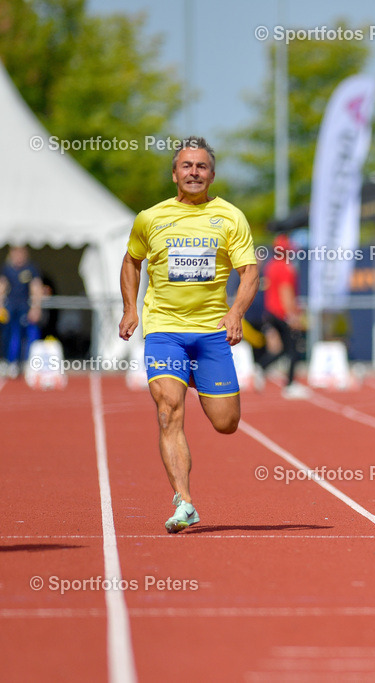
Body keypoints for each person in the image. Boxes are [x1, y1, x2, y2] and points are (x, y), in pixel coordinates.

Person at [118, 136, 258, 533]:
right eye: (186, 166)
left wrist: (236, 313)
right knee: (168, 411)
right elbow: (131, 261)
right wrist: (130, 307)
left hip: (211, 334)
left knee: (226, 423)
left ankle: (195, 375)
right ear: (174, 173)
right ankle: (184, 501)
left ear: (212, 174)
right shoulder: (150, 218)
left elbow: (249, 272)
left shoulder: (230, 217)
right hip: (165, 331)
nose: (193, 172)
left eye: (201, 167)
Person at [259, 234, 308, 399]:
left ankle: (259, 368)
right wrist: (293, 316)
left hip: (271, 312)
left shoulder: (271, 265)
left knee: (280, 349)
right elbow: (286, 292)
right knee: (294, 348)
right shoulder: (286, 268)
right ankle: (290, 384)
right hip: (282, 313)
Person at [0, 246, 45, 377]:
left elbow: (36, 288)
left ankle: (30, 363)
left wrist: (36, 307)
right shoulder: (7, 269)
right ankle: (11, 362)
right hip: (10, 306)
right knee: (11, 334)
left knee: (31, 334)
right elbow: (1, 287)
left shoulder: (31, 268)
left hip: (25, 306)